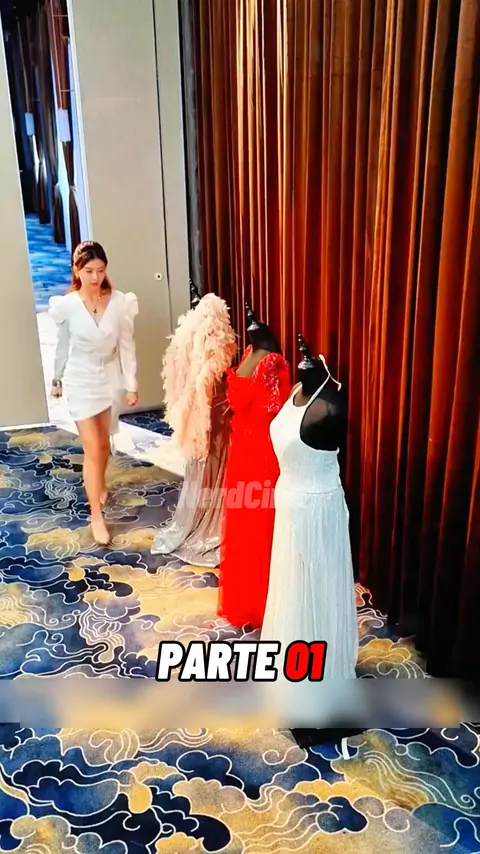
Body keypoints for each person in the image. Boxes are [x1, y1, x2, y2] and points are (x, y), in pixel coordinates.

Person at [49, 241, 139, 546]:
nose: (96, 277)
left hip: (108, 379)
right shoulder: (68, 305)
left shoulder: (119, 302)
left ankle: (98, 482)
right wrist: (57, 377)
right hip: (80, 378)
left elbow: (126, 346)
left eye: (100, 270)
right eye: (89, 271)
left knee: (103, 444)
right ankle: (96, 515)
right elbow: (63, 345)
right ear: (77, 270)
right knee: (91, 447)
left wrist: (131, 384)